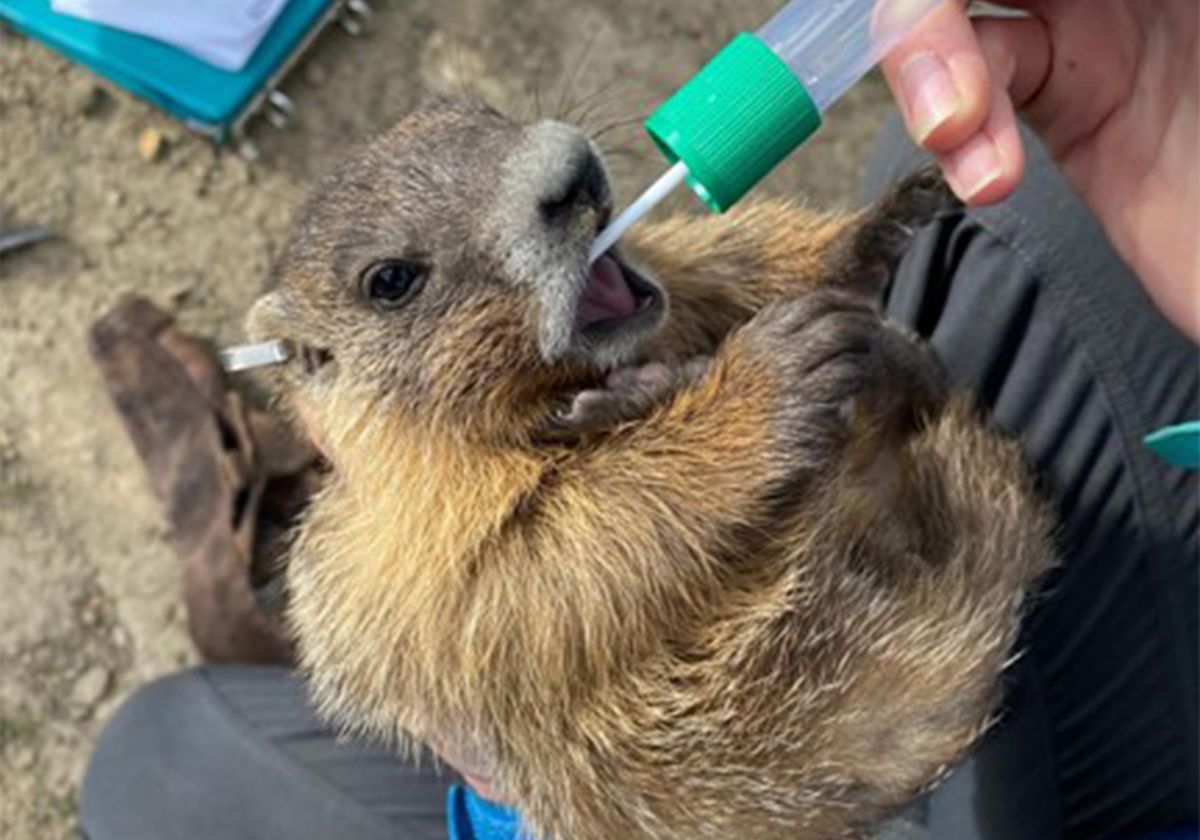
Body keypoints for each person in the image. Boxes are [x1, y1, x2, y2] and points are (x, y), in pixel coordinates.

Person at [80, 1, 1198, 838]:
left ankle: (268, 588)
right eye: (393, 289)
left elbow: (728, 272)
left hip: (925, 641)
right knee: (1014, 221)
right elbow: (568, 569)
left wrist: (841, 261)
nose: (556, 180)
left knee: (164, 754)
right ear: (319, 366)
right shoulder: (416, 555)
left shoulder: (594, 300)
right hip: (848, 735)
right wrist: (744, 418)